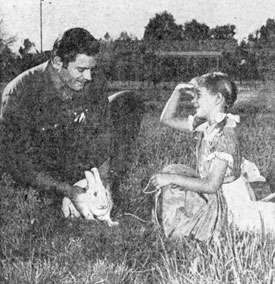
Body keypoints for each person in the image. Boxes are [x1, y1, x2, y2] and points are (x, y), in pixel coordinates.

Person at [0, 27, 144, 214]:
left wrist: (104, 181)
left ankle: (102, 186)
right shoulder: (21, 91)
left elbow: (104, 132)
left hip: (75, 149)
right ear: (58, 62)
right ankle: (56, 196)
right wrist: (67, 190)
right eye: (81, 69)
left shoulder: (94, 80)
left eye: (92, 69)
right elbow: (18, 162)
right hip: (42, 161)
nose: (89, 77)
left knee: (128, 101)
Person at [149, 72, 257, 242]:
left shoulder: (225, 134)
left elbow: (212, 185)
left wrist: (171, 179)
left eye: (198, 96)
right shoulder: (207, 125)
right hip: (212, 190)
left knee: (171, 179)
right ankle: (178, 225)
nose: (193, 101)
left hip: (225, 201)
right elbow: (166, 119)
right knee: (172, 171)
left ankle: (182, 233)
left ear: (217, 99)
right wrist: (177, 92)